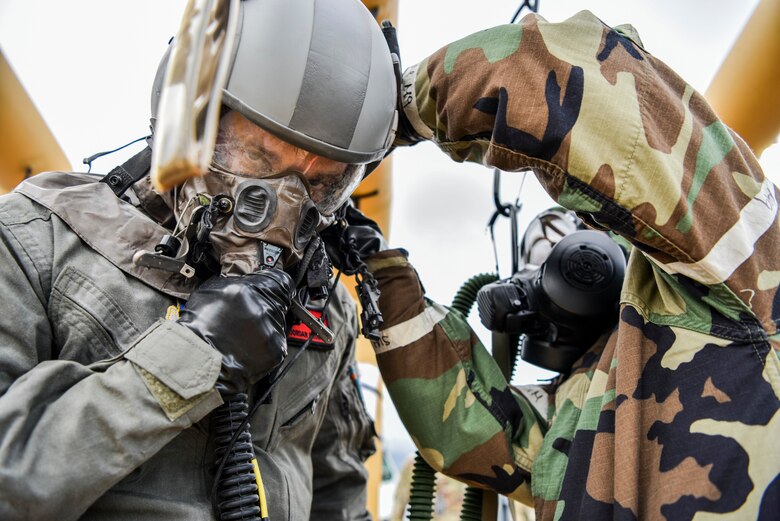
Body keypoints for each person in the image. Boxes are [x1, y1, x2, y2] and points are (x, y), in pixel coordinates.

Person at [325, 9, 780, 521]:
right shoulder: (589, 397)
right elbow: (471, 429)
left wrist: (394, 110)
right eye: (540, 255)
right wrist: (380, 273)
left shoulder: (741, 264)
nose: (560, 264)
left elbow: (589, 91)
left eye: (572, 236)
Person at [0, 0, 397, 519]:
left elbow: (336, 497)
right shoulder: (39, 238)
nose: (282, 208)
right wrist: (190, 357)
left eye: (323, 182)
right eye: (258, 156)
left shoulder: (327, 312)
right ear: (186, 125)